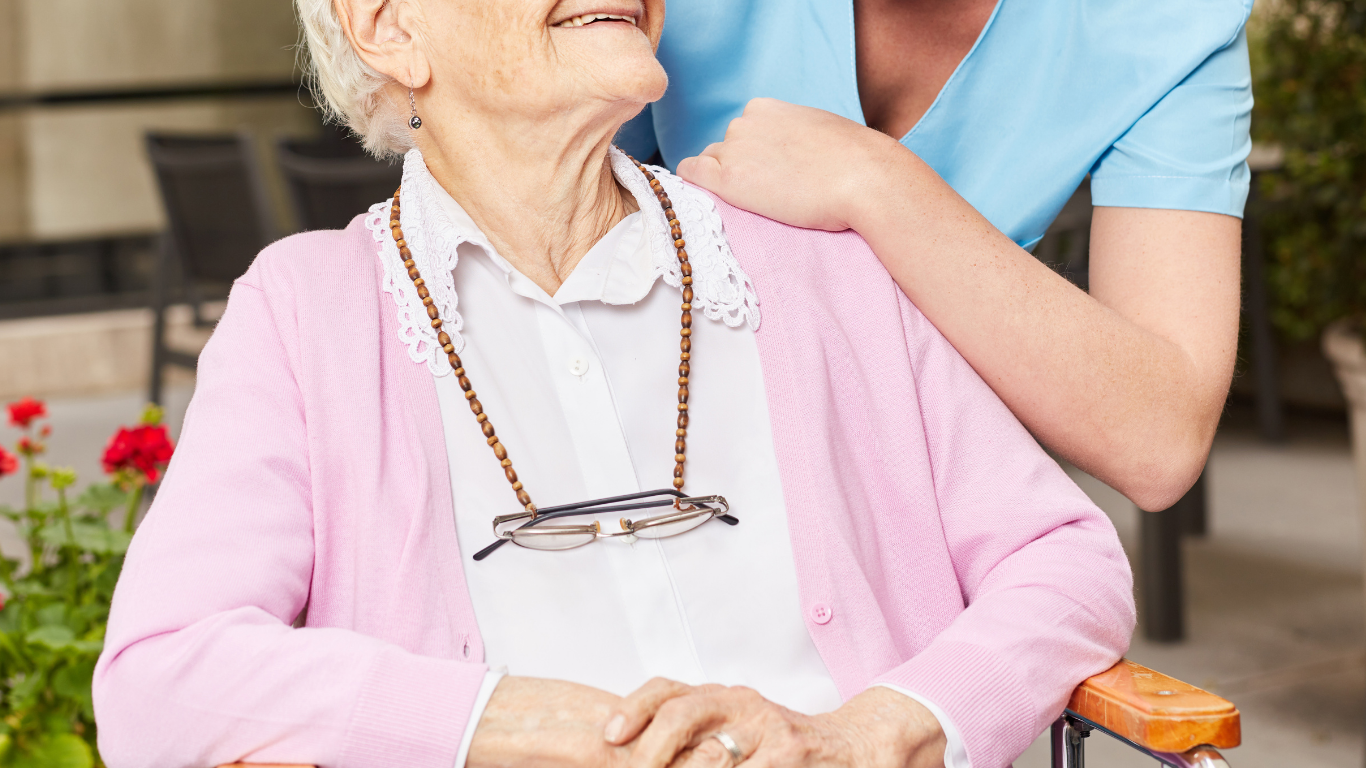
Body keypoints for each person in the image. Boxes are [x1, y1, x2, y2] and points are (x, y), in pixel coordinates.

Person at [92, 1, 1134, 767]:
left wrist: (878, 729)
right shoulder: (307, 311)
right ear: (387, 26)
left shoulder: (818, 265)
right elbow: (158, 680)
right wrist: (523, 726)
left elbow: (1064, 559)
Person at [617, 0, 1252, 512]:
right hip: (658, 458)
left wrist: (875, 180)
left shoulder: (1170, 24)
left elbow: (1159, 440)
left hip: (929, 501)